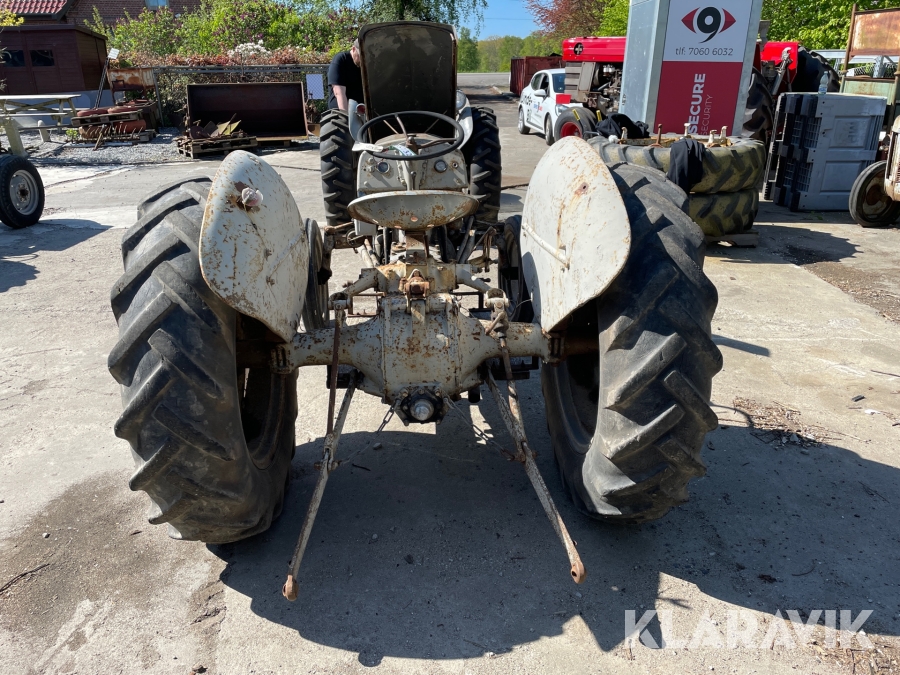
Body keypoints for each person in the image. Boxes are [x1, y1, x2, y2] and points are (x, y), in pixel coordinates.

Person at [327, 39, 364, 111]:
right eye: (361, 56)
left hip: (362, 111)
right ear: (354, 49)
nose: (363, 60)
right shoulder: (341, 60)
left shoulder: (367, 64)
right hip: (340, 112)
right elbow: (339, 93)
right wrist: (345, 115)